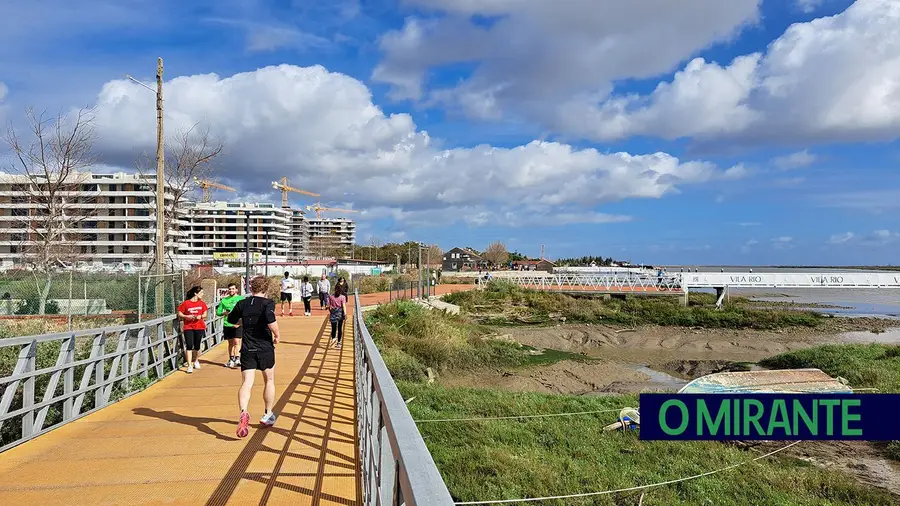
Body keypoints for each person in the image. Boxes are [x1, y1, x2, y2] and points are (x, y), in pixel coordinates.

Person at [227, 276, 281, 438]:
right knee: (269, 380)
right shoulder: (268, 303)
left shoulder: (242, 303)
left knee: (246, 382)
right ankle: (267, 414)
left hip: (247, 348)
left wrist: (248, 322)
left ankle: (244, 411)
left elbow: (232, 321)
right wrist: (277, 335)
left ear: (251, 288)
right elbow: (271, 320)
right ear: (266, 289)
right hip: (264, 348)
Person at [177, 286, 209, 374]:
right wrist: (186, 316)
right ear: (195, 293)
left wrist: (200, 316)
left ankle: (196, 361)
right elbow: (180, 312)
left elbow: (205, 314)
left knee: (197, 345)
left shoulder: (202, 303)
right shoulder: (186, 303)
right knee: (189, 345)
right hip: (188, 327)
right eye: (201, 293)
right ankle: (189, 365)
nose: (203, 294)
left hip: (199, 326)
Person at [216, 283, 244, 368]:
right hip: (228, 324)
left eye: (233, 289)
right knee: (231, 342)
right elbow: (218, 312)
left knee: (237, 341)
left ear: (236, 290)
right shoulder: (224, 300)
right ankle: (231, 359)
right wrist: (223, 313)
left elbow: (245, 310)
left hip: (238, 323)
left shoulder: (241, 299)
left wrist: (241, 322)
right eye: (230, 289)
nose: (231, 290)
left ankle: (237, 358)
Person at [327, 284, 347, 350]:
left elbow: (328, 306)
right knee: (340, 328)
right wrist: (345, 314)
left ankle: (333, 340)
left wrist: (331, 311)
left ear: (334, 289)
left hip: (333, 313)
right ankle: (339, 343)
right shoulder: (343, 297)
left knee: (333, 328)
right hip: (340, 313)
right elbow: (343, 306)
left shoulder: (330, 297)